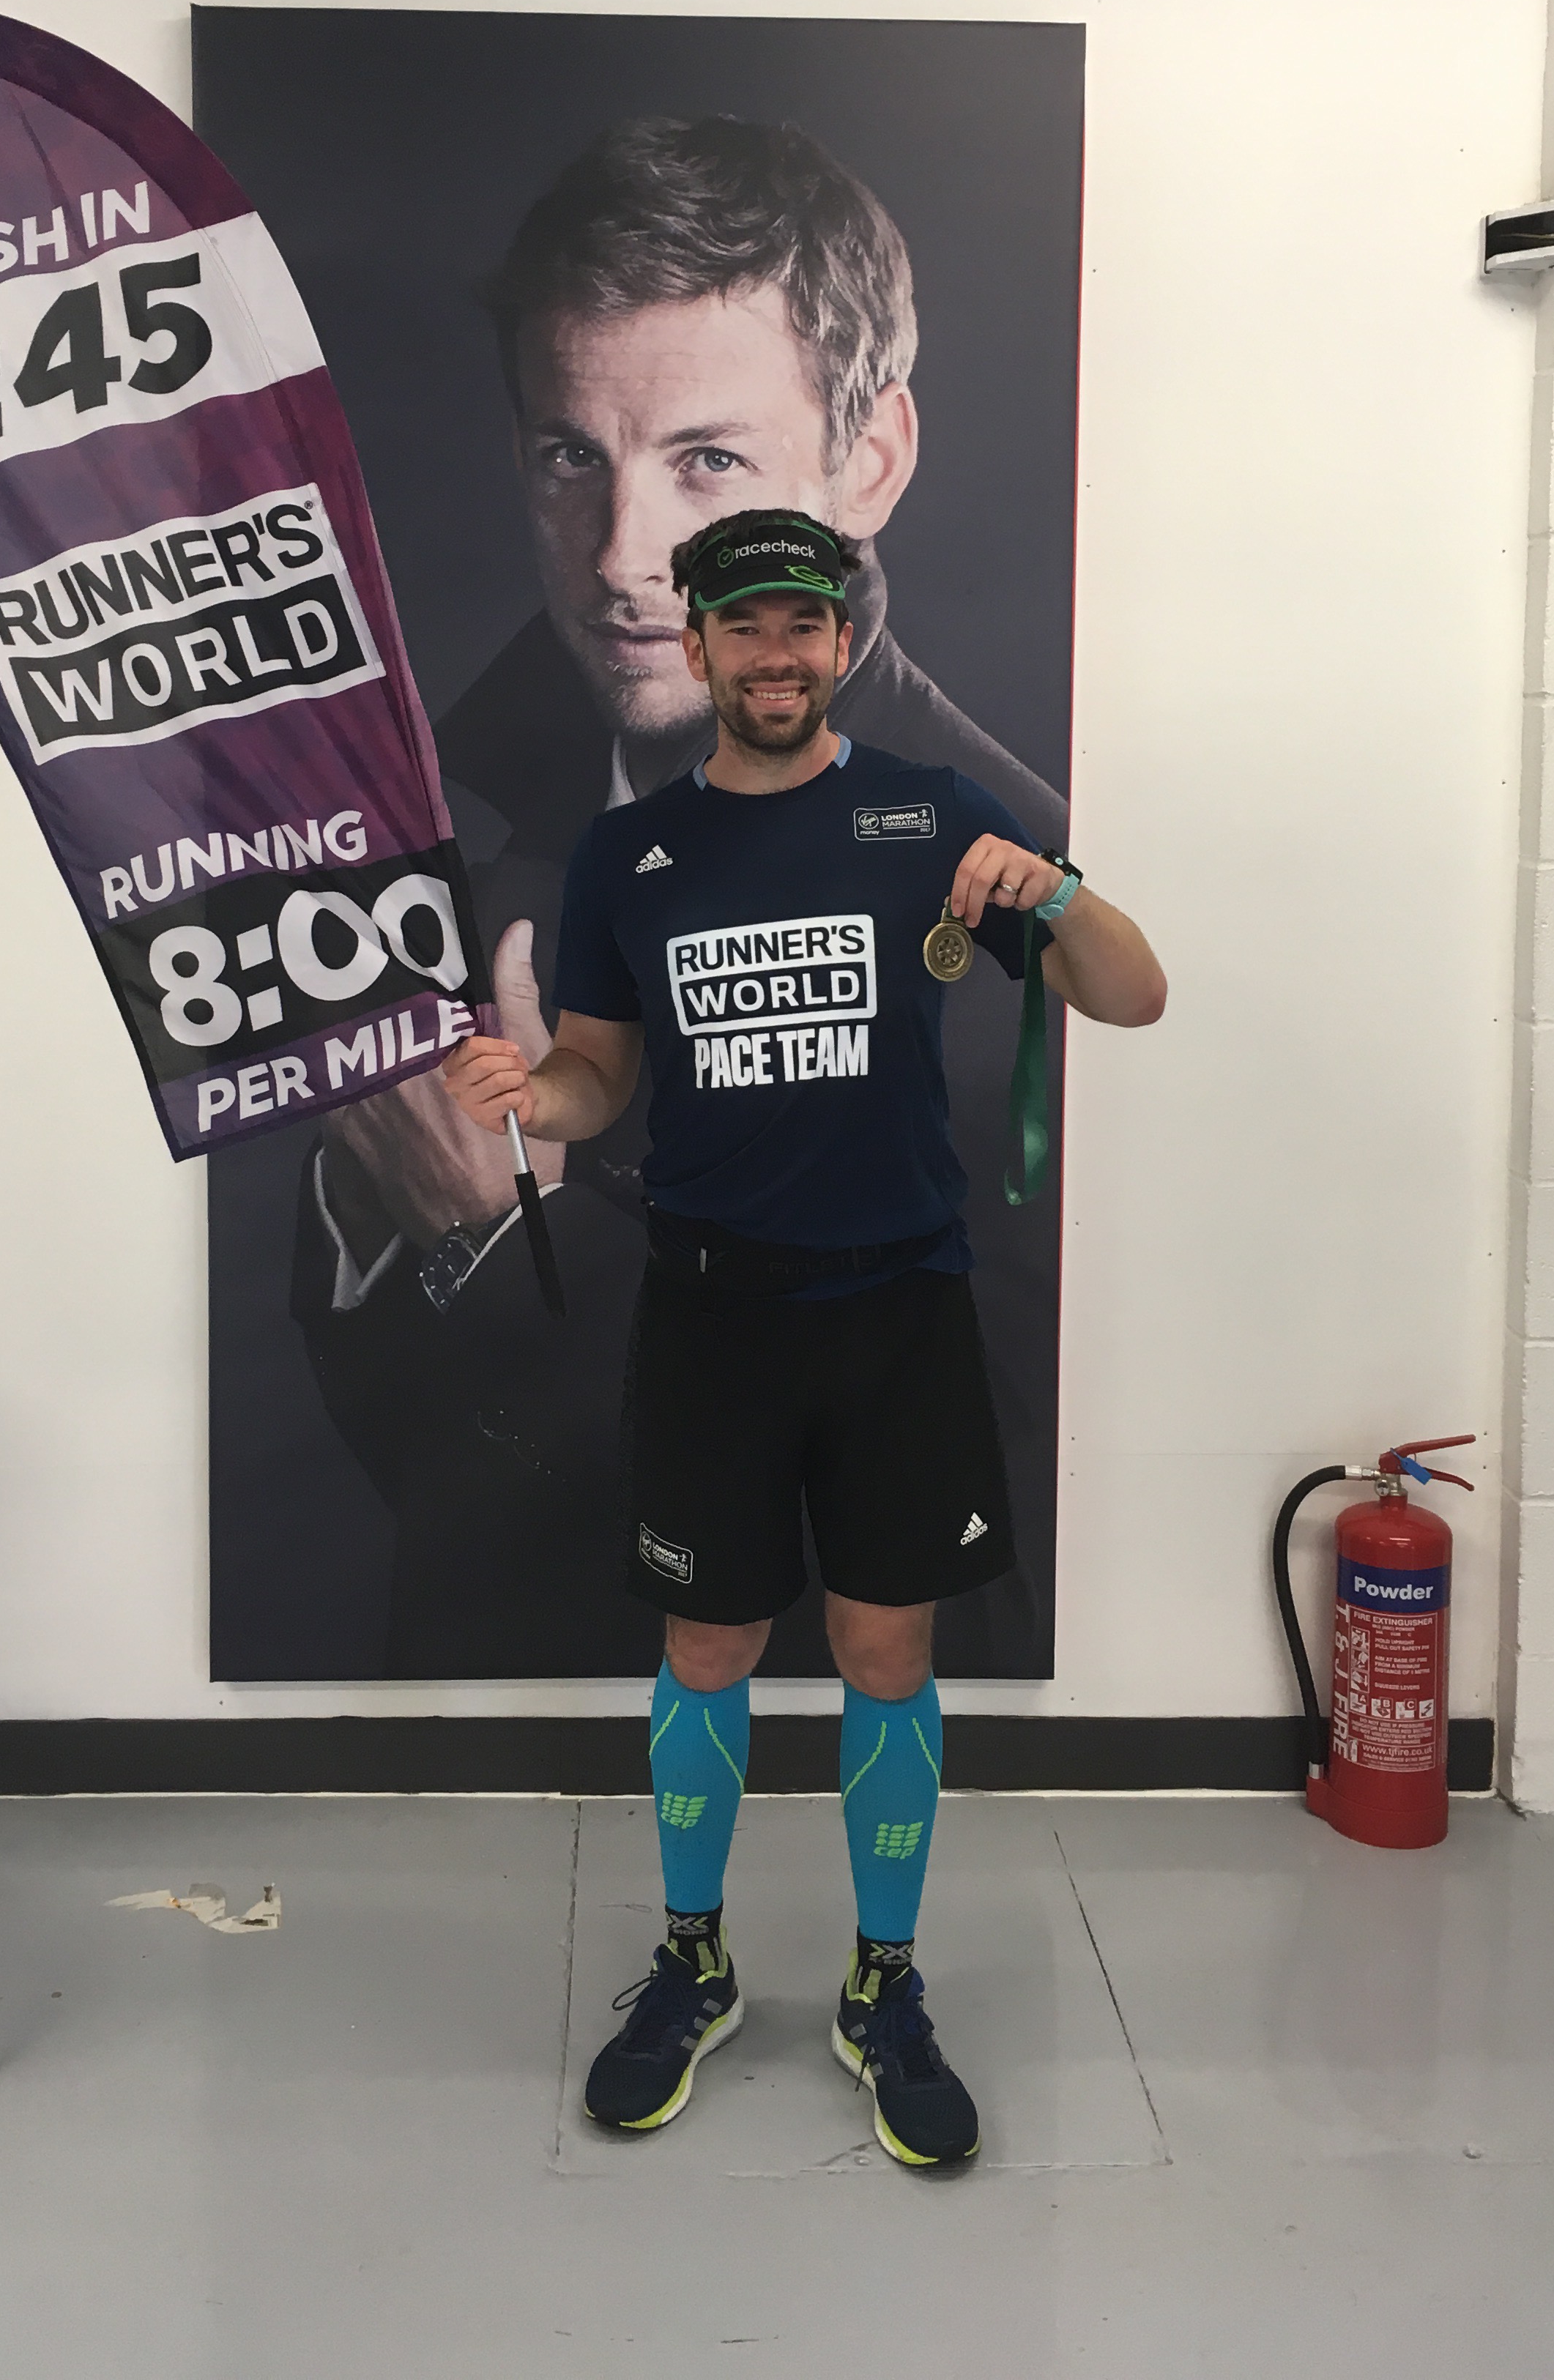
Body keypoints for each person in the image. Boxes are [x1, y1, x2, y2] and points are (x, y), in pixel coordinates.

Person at [289, 113, 1072, 1676]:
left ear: (868, 464)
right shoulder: (454, 820)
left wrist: (495, 1243)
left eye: (708, 461)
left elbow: (964, 1548)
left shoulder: (1002, 905)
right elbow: (401, 1451)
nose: (621, 556)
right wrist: (381, 1201)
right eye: (570, 457)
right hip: (460, 1731)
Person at [440, 507, 1164, 2167]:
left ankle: (881, 1984)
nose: (775, 655)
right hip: (716, 1311)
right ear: (696, 646)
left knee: (885, 1652)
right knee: (708, 1647)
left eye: (802, 625)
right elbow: (599, 1077)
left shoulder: (932, 811)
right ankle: (693, 1962)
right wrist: (530, 1095)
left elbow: (1131, 994)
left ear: (842, 641)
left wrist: (1059, 886)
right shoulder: (631, 856)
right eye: (745, 627)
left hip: (900, 1305)